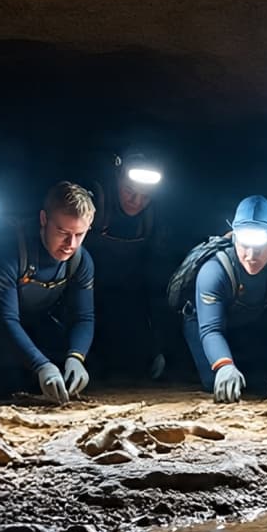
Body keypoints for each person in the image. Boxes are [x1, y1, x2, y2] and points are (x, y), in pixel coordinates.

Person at [179, 196, 267, 403]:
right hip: (203, 324)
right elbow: (211, 329)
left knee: (262, 381)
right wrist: (224, 365)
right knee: (217, 383)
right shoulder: (214, 271)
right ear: (234, 238)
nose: (252, 255)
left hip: (244, 324)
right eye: (245, 245)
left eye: (260, 245)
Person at [0, 181, 96, 404]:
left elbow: (84, 316)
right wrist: (41, 365)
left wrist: (76, 356)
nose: (70, 243)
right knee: (2, 376)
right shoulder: (12, 251)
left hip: (36, 322)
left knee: (81, 367)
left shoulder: (81, 260)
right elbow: (6, 319)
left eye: (79, 234)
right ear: (43, 219)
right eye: (62, 232)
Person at [84, 150, 169, 382]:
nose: (136, 201)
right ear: (117, 179)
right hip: (84, 294)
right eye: (129, 192)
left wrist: (158, 346)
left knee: (133, 365)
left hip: (123, 297)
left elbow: (155, 283)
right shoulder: (96, 202)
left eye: (145, 196)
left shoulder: (150, 219)